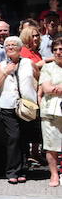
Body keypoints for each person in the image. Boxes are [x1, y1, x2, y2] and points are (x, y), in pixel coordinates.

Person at [0, 36, 37, 184]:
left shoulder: (29, 63)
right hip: (8, 106)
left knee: (24, 138)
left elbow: (39, 78)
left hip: (25, 106)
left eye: (14, 45)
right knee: (14, 137)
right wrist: (6, 72)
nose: (10, 47)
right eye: (8, 45)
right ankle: (12, 171)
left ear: (20, 48)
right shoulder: (0, 65)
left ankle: (23, 170)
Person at [39, 37, 62, 187]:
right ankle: (54, 175)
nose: (58, 52)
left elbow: (52, 88)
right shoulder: (47, 67)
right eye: (55, 50)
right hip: (50, 111)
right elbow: (46, 88)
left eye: (61, 49)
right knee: (51, 145)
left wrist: (56, 87)